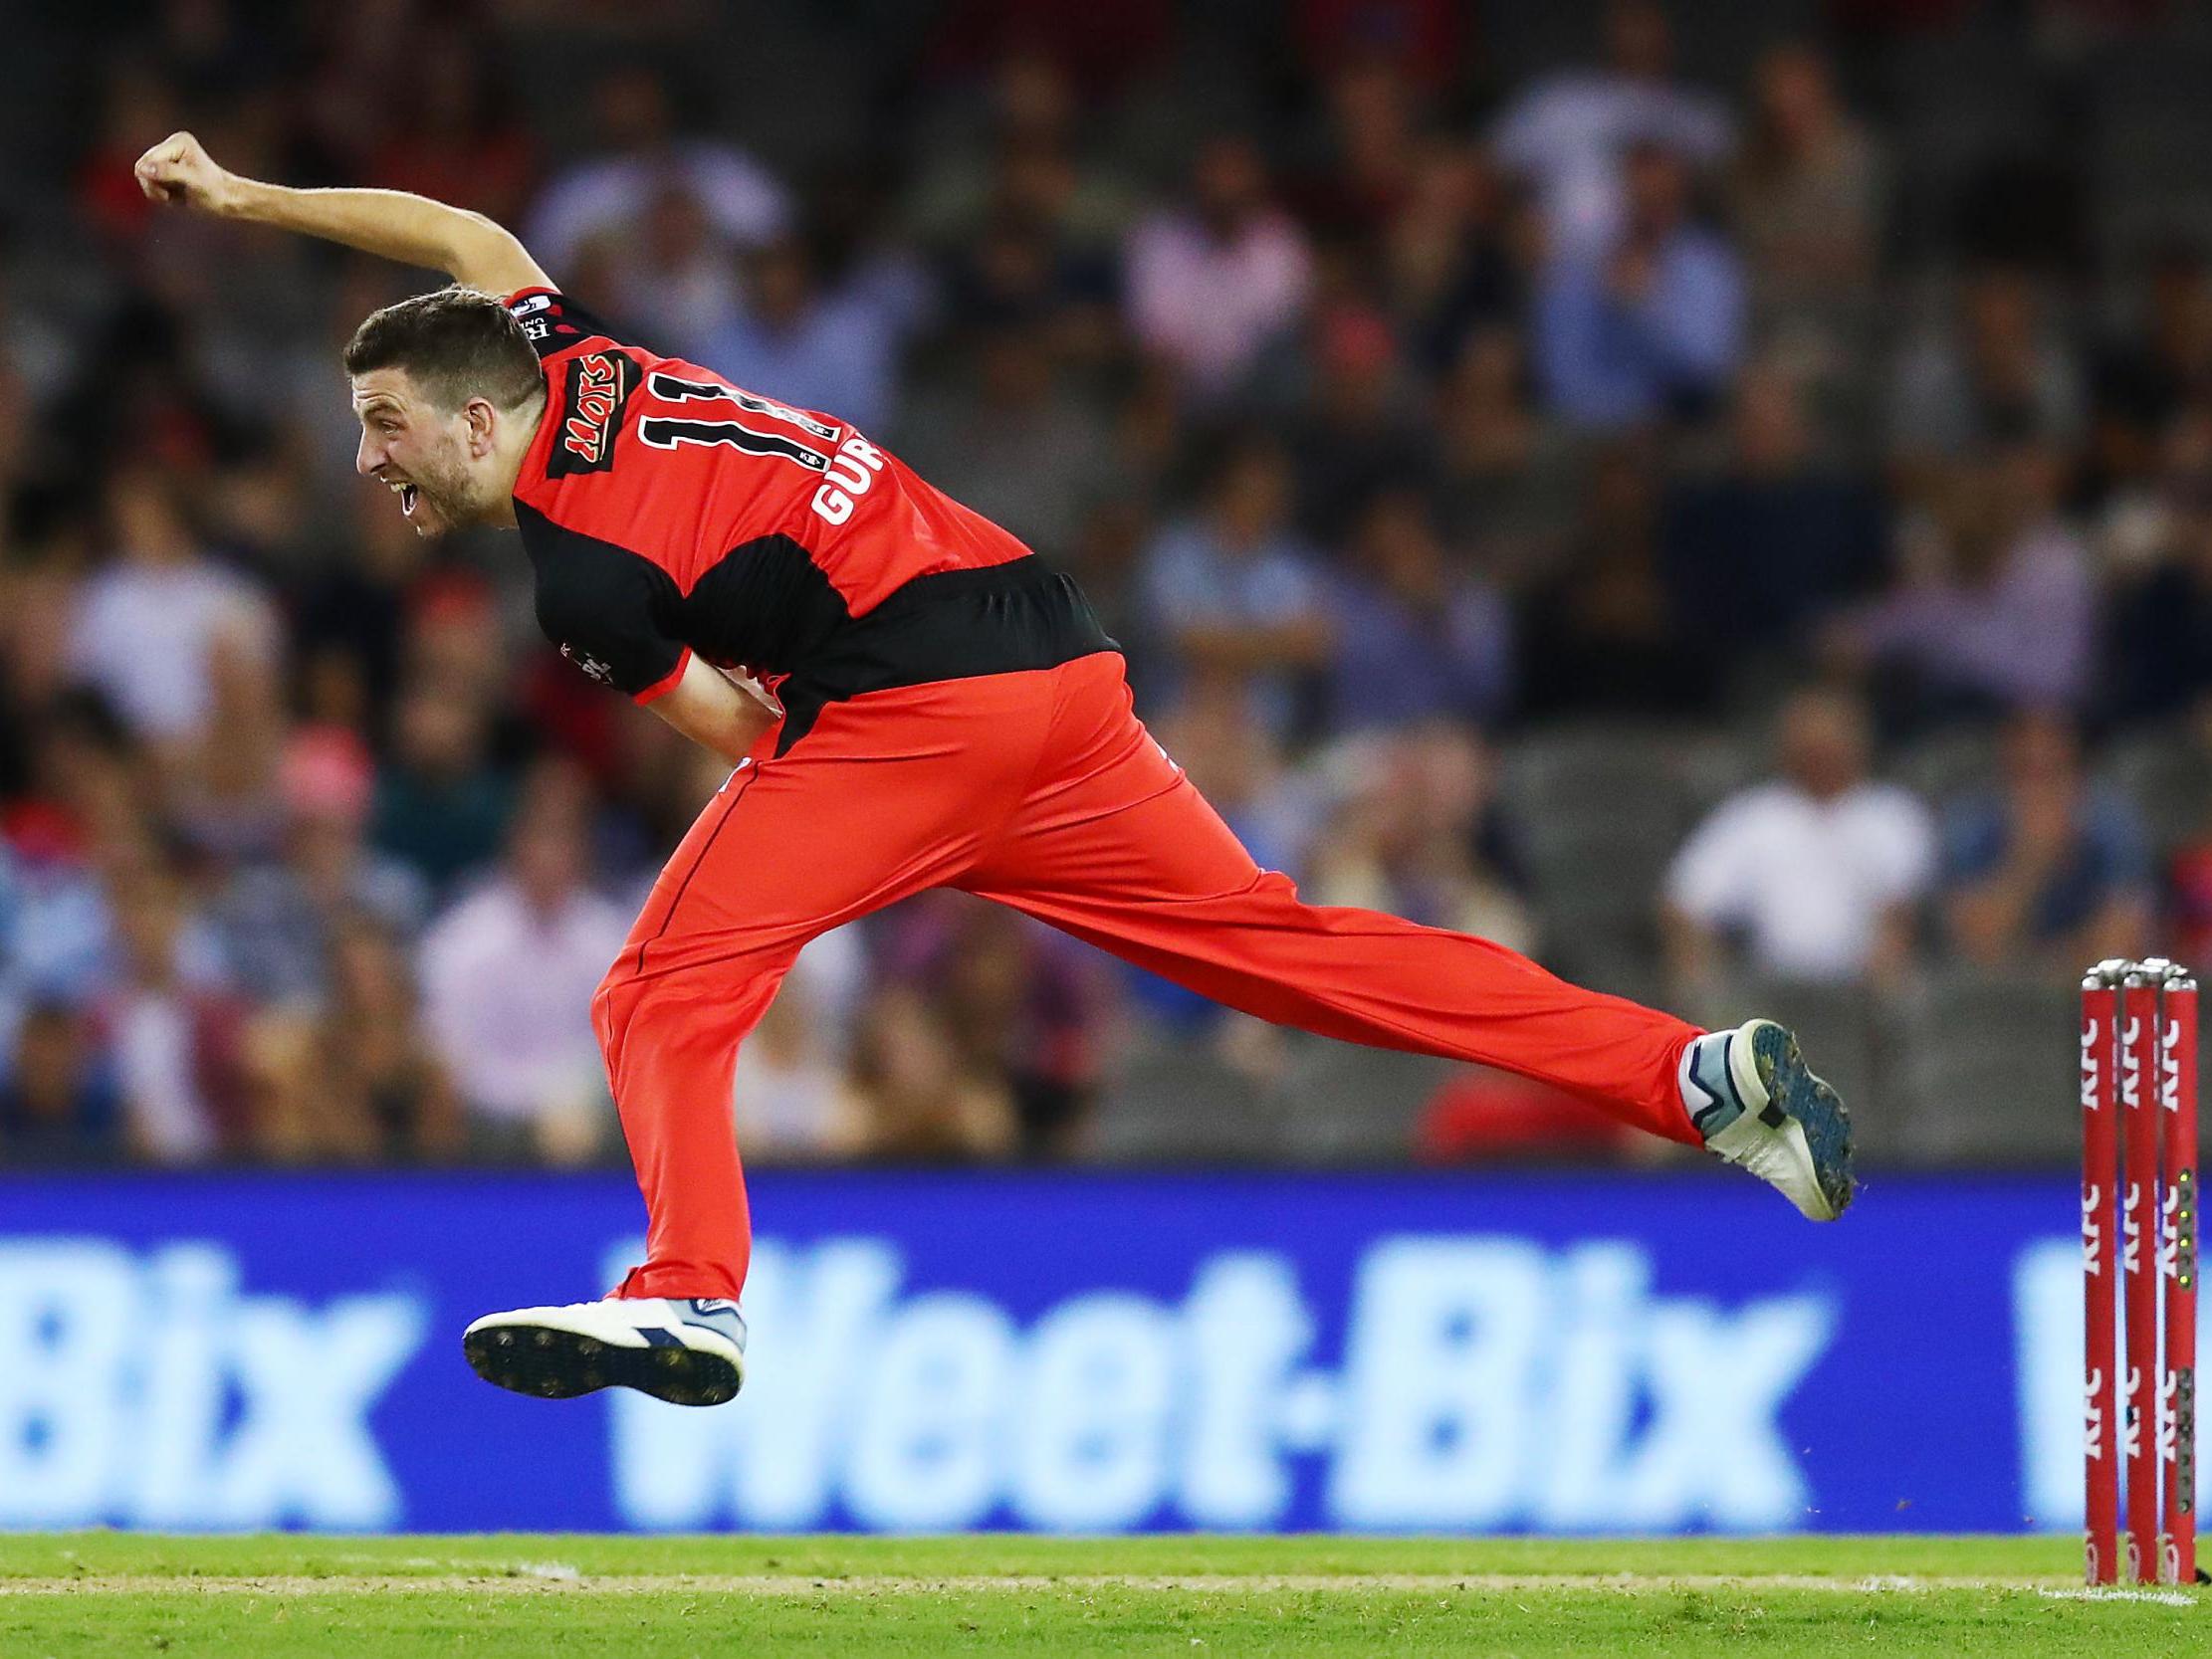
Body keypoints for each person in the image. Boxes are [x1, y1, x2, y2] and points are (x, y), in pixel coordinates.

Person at [132, 130, 1856, 1412]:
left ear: (469, 410)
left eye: (384, 430)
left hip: (917, 716)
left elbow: (750, 743)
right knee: (1289, 949)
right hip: (1056, 662)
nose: (367, 464)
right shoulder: (559, 340)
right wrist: (252, 199)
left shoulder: (583, 580)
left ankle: (690, 1296)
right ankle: (1693, 1081)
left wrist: (883, 836)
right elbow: (448, 228)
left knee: (659, 990)